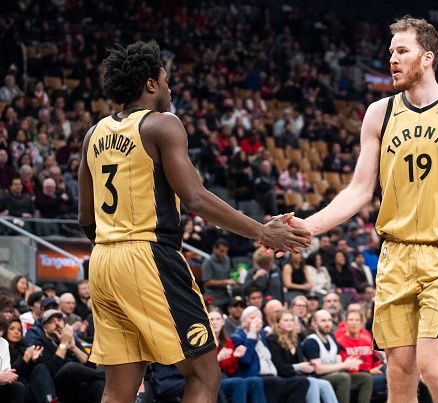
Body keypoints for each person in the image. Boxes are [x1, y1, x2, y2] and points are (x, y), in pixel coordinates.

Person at [287, 17, 438, 403]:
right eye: (390, 51)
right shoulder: (379, 113)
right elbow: (359, 190)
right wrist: (308, 225)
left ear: (427, 58)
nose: (392, 58)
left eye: (402, 51)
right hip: (395, 253)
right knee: (399, 369)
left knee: (434, 367)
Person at [77, 41, 311, 403]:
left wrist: (115, 246)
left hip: (104, 261)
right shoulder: (162, 124)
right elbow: (196, 197)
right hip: (148, 256)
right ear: (151, 85)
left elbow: (85, 218)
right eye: (166, 81)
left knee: (118, 388)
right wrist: (263, 231)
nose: (169, 89)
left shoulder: (93, 134)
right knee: (203, 374)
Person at [230, 306, 309, 403]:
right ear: (244, 321)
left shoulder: (263, 335)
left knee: (302, 382)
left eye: (258, 318)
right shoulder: (238, 337)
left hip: (274, 375)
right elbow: (246, 360)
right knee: (275, 382)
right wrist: (251, 334)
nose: (256, 321)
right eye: (252, 318)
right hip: (257, 377)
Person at [302, 309, 373, 403]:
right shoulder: (311, 341)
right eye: (323, 321)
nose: (327, 323)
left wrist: (350, 363)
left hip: (335, 375)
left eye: (329, 320)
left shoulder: (332, 340)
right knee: (343, 377)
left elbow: (339, 364)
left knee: (365, 377)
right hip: (318, 379)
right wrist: (344, 365)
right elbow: (318, 370)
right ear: (314, 323)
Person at [268, 310, 338, 403]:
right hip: (283, 377)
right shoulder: (272, 339)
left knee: (325, 384)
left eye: (291, 320)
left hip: (298, 376)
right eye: (285, 320)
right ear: (278, 323)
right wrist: (299, 367)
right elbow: (279, 367)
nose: (289, 323)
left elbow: (301, 361)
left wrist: (308, 366)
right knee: (311, 382)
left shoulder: (296, 338)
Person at [35, 309, 105, 403]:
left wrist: (74, 348)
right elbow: (53, 370)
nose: (57, 324)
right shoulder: (40, 343)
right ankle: (107, 376)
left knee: (99, 384)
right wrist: (63, 343)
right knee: (70, 366)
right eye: (51, 322)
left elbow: (90, 366)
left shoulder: (72, 339)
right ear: (45, 328)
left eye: (59, 320)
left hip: (78, 387)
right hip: (59, 388)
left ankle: (105, 377)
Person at [5, 318, 57, 403]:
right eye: (12, 329)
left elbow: (32, 373)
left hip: (28, 384)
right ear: (5, 330)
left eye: (19, 330)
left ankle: (50, 400)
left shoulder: (23, 349)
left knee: (40, 367)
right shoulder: (2, 349)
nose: (16, 332)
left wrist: (34, 360)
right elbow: (9, 372)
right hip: (12, 386)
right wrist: (24, 360)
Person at [202, 239, 236, 310]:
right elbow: (207, 282)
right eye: (221, 251)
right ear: (214, 249)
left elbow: (229, 274)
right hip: (213, 297)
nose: (224, 254)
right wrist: (226, 282)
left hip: (225, 295)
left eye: (226, 252)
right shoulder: (208, 262)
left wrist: (235, 277)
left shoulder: (227, 259)